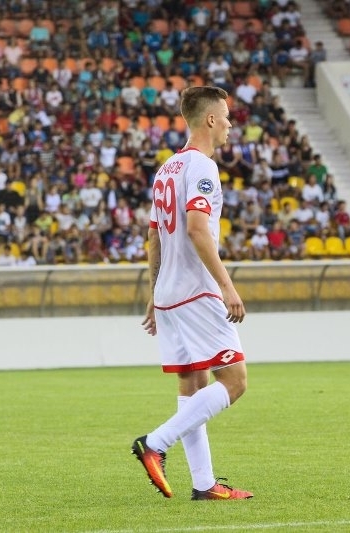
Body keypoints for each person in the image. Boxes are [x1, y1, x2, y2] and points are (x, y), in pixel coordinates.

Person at [132, 86, 253, 501]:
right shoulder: (202, 166)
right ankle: (155, 443)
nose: (231, 125)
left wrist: (154, 294)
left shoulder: (166, 169)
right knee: (234, 381)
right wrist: (227, 285)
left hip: (169, 294)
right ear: (211, 119)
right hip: (196, 292)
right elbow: (198, 230)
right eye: (227, 116)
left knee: (193, 387)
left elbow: (154, 237)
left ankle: (204, 485)